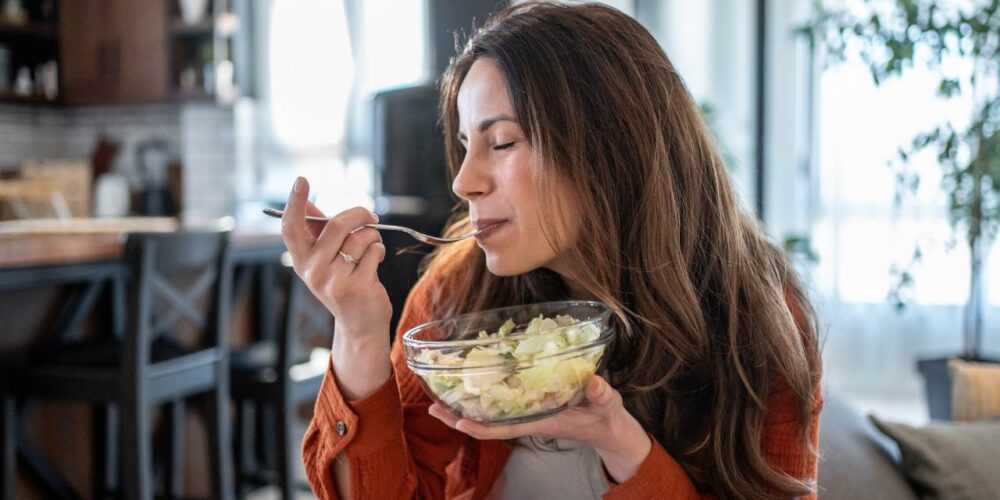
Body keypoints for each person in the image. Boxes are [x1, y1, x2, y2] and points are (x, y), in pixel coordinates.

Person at [281, 2, 823, 499]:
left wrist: (623, 446)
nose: (463, 182)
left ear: (610, 147)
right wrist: (356, 330)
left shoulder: (757, 317)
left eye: (503, 142)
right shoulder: (454, 298)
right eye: (466, 146)